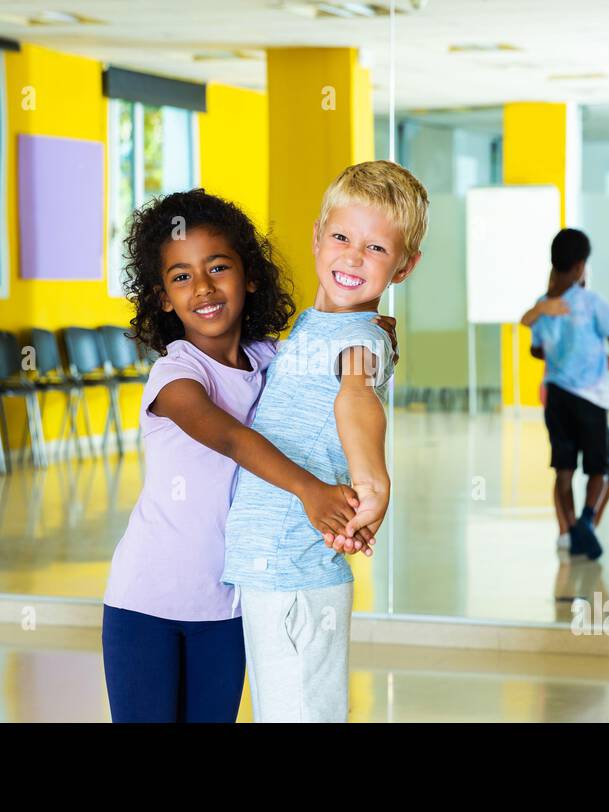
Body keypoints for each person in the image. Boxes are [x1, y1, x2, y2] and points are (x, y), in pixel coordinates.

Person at [102, 189, 391, 722]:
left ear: (250, 275)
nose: (204, 288)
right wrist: (311, 491)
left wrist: (366, 331)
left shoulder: (270, 359)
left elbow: (326, 377)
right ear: (163, 297)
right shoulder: (176, 376)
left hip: (230, 603)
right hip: (145, 604)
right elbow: (233, 437)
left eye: (218, 267)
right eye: (181, 277)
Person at [221, 160, 428, 722]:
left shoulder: (357, 340)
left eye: (377, 249)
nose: (354, 257)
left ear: (404, 267)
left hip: (295, 573)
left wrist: (371, 479)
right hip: (277, 569)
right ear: (316, 237)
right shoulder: (319, 326)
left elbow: (356, 397)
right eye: (341, 237)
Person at [519, 228, 609, 559]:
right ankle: (585, 523)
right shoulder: (591, 303)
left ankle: (568, 532)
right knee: (599, 469)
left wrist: (567, 352)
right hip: (590, 400)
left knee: (564, 470)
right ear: (580, 266)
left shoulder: (543, 305)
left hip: (557, 398)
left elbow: (537, 351)